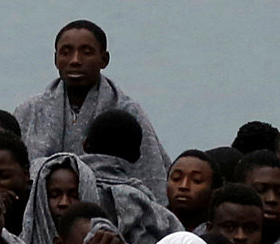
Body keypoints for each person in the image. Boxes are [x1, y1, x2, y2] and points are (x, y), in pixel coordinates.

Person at [15, 19, 166, 174]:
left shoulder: (127, 112)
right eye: (66, 53)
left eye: (86, 53)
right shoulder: (29, 112)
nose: (75, 61)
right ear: (55, 59)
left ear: (104, 59)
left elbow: (151, 173)